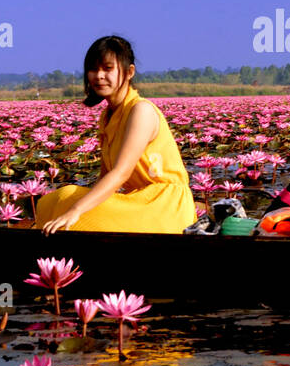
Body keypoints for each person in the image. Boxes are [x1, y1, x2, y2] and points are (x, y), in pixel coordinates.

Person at [35, 36, 197, 234]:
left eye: (107, 68)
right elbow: (105, 176)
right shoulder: (107, 116)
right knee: (49, 202)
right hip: (137, 200)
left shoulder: (141, 110)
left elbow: (121, 172)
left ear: (129, 72)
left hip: (164, 205)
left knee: (68, 201)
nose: (99, 75)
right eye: (93, 69)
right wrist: (79, 204)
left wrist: (77, 210)